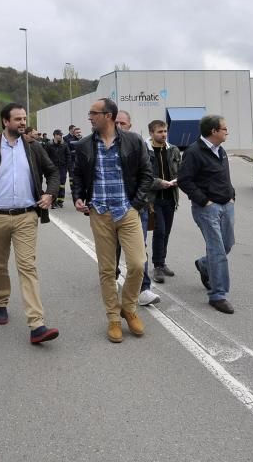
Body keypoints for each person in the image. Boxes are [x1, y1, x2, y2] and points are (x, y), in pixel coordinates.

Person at [0, 102, 60, 345]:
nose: (23, 122)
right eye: (18, 119)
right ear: (5, 122)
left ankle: (37, 324)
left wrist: (50, 193)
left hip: (27, 216)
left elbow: (53, 172)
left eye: (24, 118)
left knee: (27, 266)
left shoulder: (33, 148)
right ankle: (2, 301)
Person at [71, 98, 153, 343]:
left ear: (107, 115)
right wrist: (77, 196)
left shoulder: (133, 141)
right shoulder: (84, 145)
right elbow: (76, 174)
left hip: (127, 212)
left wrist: (135, 205)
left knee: (138, 263)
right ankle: (114, 319)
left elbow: (147, 174)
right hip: (100, 213)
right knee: (107, 270)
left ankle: (128, 307)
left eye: (93, 113)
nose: (89, 118)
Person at [178, 114, 236, 314]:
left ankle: (204, 264)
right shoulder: (194, 152)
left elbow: (224, 176)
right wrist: (205, 201)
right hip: (207, 209)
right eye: (224, 128)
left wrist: (231, 196)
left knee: (227, 245)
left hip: (226, 205)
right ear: (214, 131)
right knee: (218, 250)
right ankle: (218, 295)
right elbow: (184, 180)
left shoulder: (221, 150)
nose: (227, 131)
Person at [114, 110, 159, 308]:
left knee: (140, 250)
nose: (118, 126)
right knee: (112, 248)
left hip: (134, 208)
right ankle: (113, 275)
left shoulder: (139, 145)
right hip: (109, 209)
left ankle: (143, 289)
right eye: (116, 122)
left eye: (122, 123)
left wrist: (138, 203)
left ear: (130, 126)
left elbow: (147, 176)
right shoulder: (101, 147)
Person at [147, 120, 181, 282]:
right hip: (153, 199)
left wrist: (178, 180)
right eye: (159, 132)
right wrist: (159, 183)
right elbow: (144, 177)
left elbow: (180, 170)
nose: (163, 134)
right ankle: (157, 266)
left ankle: (162, 262)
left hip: (170, 197)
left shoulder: (173, 150)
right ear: (151, 133)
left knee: (166, 231)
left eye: (165, 131)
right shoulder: (145, 151)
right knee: (159, 231)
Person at [43, 129, 70, 208]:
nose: (61, 136)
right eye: (59, 135)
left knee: (61, 184)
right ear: (55, 135)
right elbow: (45, 156)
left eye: (61, 135)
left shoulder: (64, 144)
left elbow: (68, 155)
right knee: (53, 184)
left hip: (62, 168)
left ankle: (60, 201)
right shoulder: (49, 145)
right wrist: (47, 166)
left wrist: (67, 166)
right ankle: (53, 202)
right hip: (52, 168)